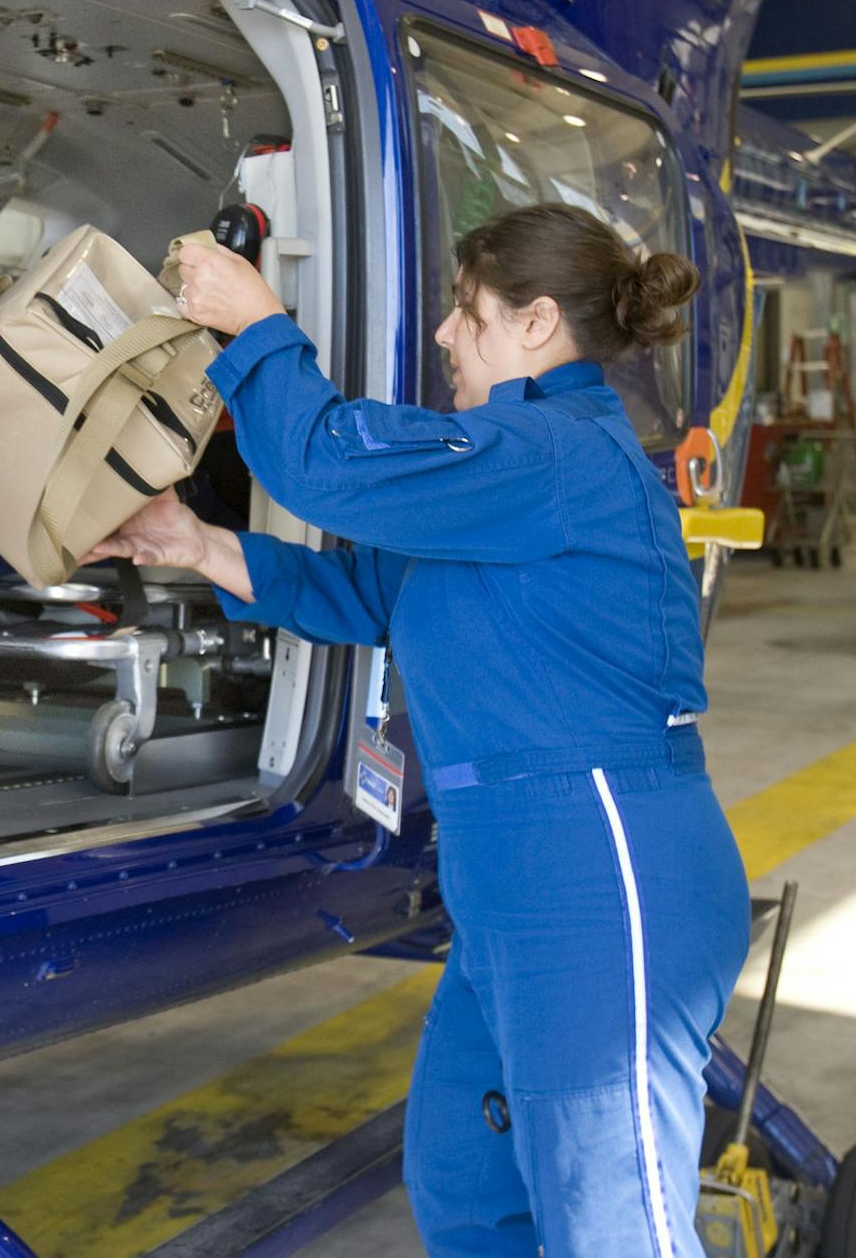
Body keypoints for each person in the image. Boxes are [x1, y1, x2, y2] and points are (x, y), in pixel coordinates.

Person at [91, 202, 750, 1258]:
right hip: (515, 880)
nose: (444, 335)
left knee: (609, 1222)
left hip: (599, 870)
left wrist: (258, 323)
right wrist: (201, 544)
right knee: (467, 1183)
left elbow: (324, 464)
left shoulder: (551, 451)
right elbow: (373, 597)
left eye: (465, 310)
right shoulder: (511, 469)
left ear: (537, 324)